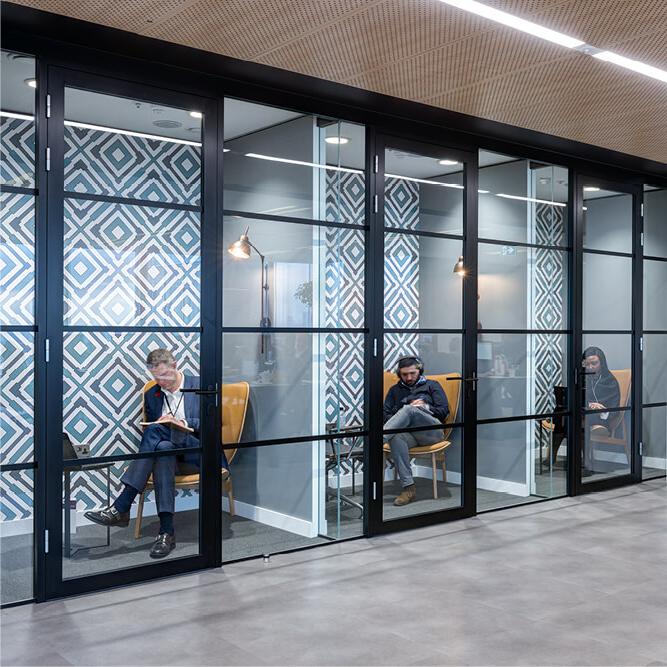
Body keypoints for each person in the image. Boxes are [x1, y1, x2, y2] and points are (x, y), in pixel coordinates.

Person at [85, 349, 227, 558]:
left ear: (175, 365)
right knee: (162, 448)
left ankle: (123, 504)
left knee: (156, 431)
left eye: (164, 376)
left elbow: (214, 423)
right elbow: (156, 439)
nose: (160, 382)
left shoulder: (200, 385)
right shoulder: (153, 394)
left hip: (200, 452)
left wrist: (183, 423)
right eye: (155, 378)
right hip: (170, 456)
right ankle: (166, 532)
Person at [383, 355, 449, 506]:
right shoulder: (394, 390)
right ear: (399, 374)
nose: (409, 377)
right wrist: (401, 415)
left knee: (410, 409)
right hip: (410, 436)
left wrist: (424, 407)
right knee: (396, 436)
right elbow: (386, 415)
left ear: (420, 370)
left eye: (412, 373)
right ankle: (408, 488)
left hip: (432, 433)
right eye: (405, 374)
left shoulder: (432, 385)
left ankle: (373, 445)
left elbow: (444, 411)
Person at [582, 346, 620, 475]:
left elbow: (616, 409)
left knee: (582, 419)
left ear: (602, 363)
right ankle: (552, 458)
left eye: (594, 363)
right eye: (587, 364)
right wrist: (589, 404)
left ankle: (585, 464)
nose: (591, 367)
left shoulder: (610, 381)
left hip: (604, 420)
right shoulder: (584, 379)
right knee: (566, 414)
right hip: (585, 414)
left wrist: (601, 410)